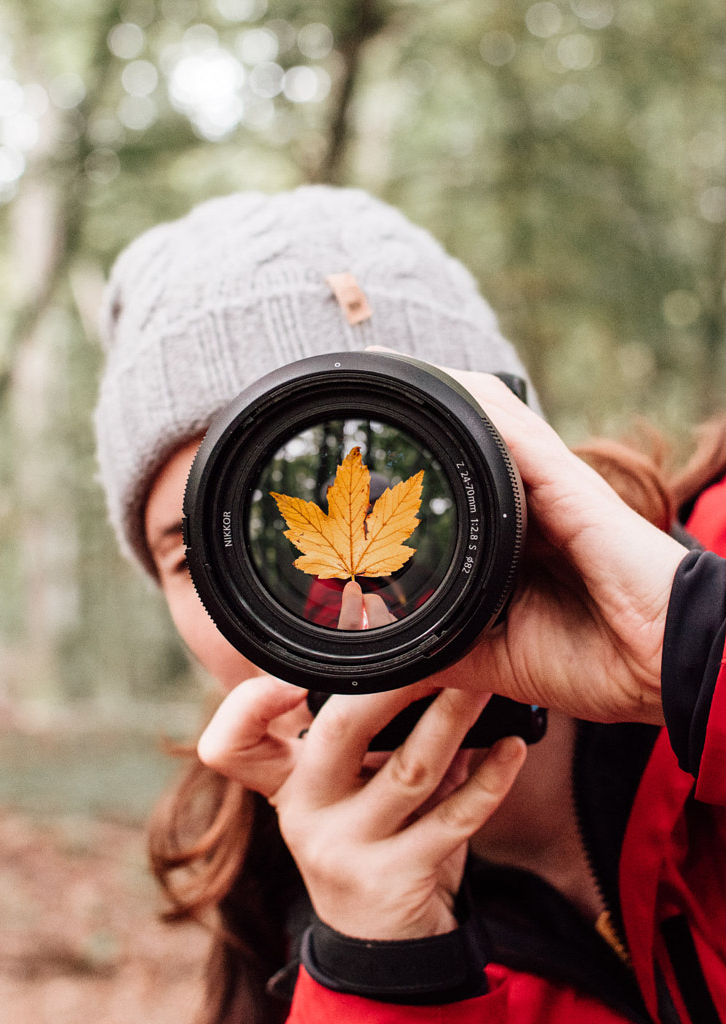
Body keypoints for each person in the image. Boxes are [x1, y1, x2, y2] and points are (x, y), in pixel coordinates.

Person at [93, 186, 726, 1024]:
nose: (327, 597)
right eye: (199, 552)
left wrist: (691, 653)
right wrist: (377, 970)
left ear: (513, 462)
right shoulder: (287, 939)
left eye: (370, 470)